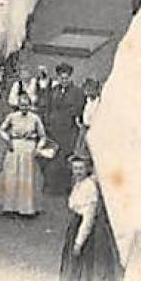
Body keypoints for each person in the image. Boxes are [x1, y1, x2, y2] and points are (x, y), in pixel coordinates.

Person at [60, 157, 120, 281]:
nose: (78, 172)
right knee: (75, 260)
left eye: (81, 168)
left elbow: (88, 218)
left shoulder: (89, 188)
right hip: (75, 225)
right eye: (75, 168)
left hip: (84, 228)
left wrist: (79, 241)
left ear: (87, 169)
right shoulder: (79, 184)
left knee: (84, 257)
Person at [0, 94, 47, 217]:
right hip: (14, 147)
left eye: (26, 105)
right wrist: (7, 140)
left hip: (29, 148)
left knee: (27, 178)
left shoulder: (35, 118)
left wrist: (38, 148)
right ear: (18, 105)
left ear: (30, 106)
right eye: (21, 105)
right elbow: (2, 129)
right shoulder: (12, 117)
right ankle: (10, 207)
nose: (23, 108)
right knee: (12, 176)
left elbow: (42, 136)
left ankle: (27, 208)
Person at [43, 63, 86, 196]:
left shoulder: (77, 92)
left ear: (70, 78)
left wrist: (66, 116)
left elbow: (78, 109)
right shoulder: (53, 90)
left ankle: (66, 187)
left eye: (66, 78)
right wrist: (48, 122)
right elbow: (48, 107)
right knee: (52, 156)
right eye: (61, 78)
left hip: (68, 129)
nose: (64, 81)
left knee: (66, 157)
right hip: (53, 129)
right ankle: (52, 186)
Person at [74, 77, 101, 158]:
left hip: (93, 130)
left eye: (91, 89)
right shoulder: (87, 101)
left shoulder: (99, 103)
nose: (88, 91)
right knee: (80, 152)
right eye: (87, 89)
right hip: (84, 129)